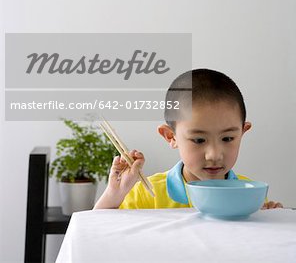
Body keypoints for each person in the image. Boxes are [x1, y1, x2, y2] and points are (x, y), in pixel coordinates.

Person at [94, 68, 283, 210]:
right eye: (199, 140)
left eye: (227, 138)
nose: (214, 155)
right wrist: (113, 194)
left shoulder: (250, 196)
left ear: (243, 131)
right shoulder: (147, 194)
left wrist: (270, 224)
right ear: (171, 136)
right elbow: (94, 236)